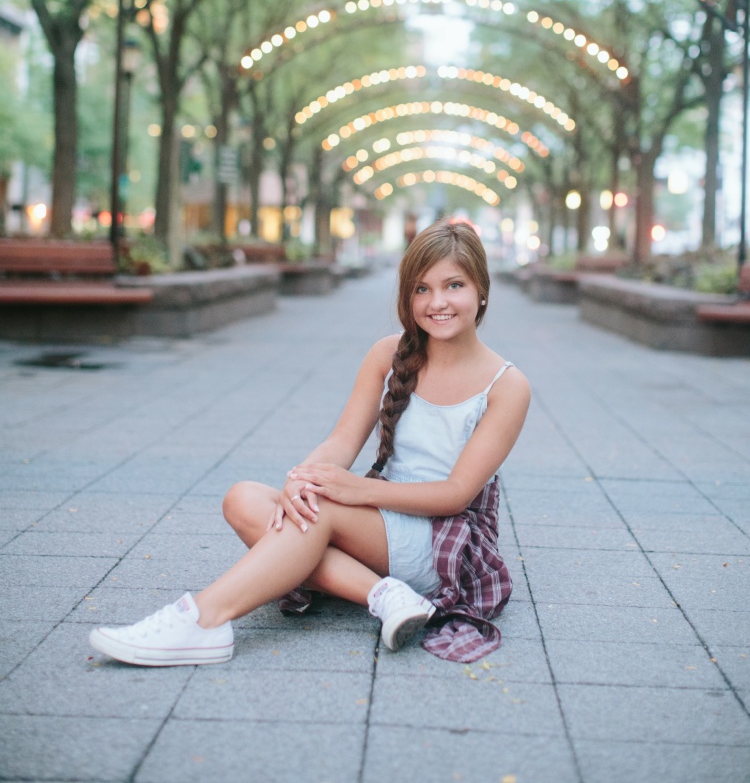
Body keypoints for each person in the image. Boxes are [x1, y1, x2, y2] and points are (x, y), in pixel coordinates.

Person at [89, 220, 530, 667]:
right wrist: (302, 478)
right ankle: (384, 594)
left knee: (316, 512)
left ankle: (204, 620)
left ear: (481, 290)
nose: (437, 302)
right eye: (421, 289)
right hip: (382, 523)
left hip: (445, 540)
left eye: (453, 285)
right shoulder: (387, 354)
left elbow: (456, 494)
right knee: (244, 499)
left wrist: (356, 490)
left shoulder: (506, 385)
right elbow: (341, 440)